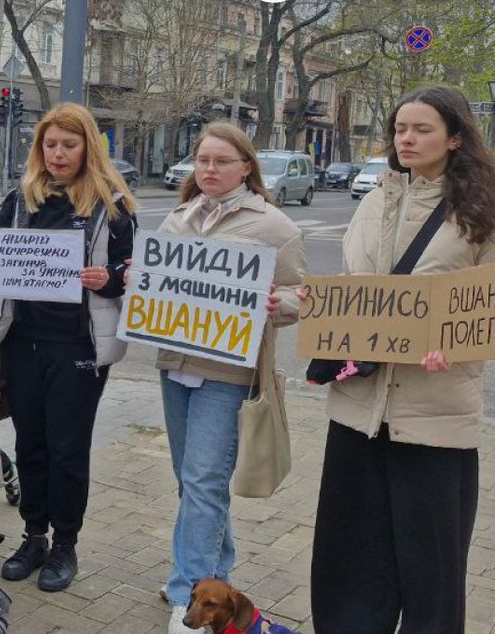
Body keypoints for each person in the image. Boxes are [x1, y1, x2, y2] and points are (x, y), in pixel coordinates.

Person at [309, 86, 495, 633]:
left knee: (429, 576)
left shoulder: (482, 211)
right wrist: (288, 306)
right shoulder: (373, 199)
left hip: (434, 423)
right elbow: (349, 293)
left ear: (455, 137)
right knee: (347, 567)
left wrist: (458, 343)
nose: (406, 139)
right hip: (357, 416)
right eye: (400, 129)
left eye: (422, 129)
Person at [150, 123, 305, 634]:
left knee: (202, 483)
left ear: (246, 168)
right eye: (202, 160)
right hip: (175, 364)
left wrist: (273, 303)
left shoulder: (274, 226)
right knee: (191, 482)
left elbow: (300, 297)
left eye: (221, 161)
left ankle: (186, 597)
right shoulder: (178, 218)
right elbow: (160, 286)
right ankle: (214, 583)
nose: (209, 170)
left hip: (227, 372)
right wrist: (140, 283)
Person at [0, 102, 135, 592]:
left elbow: (134, 276)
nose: (58, 153)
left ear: (87, 147)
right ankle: (33, 536)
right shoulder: (18, 199)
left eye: (68, 144)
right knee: (29, 443)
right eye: (50, 144)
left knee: (67, 448)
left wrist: (108, 278)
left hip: (79, 345)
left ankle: (65, 542)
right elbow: (0, 267)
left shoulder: (112, 206)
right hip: (23, 341)